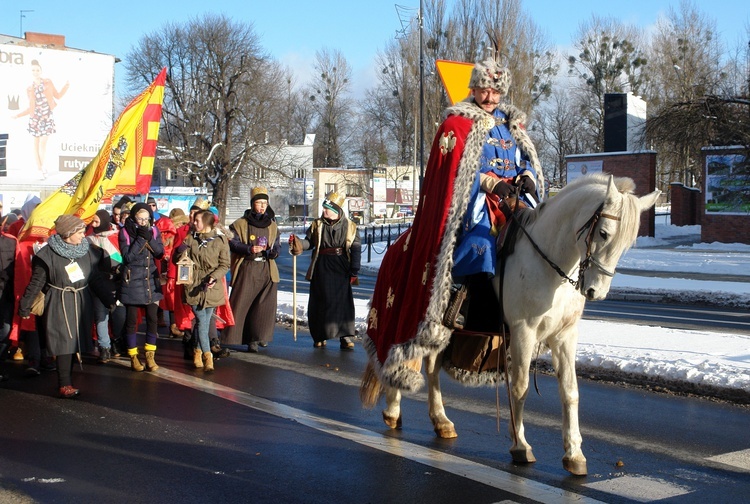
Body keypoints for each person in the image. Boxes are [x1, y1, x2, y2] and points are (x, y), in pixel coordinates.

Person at [364, 57, 543, 387]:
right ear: (473, 89)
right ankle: (456, 302)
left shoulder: (512, 123)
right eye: (483, 89)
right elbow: (462, 172)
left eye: (495, 91)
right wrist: (494, 184)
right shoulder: (459, 124)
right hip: (479, 201)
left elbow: (524, 159)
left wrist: (528, 177)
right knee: (480, 242)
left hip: (514, 200)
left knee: (539, 238)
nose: (489, 97)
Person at [17, 215, 113, 398]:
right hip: (58, 301)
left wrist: (109, 300)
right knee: (63, 342)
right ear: (68, 233)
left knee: (74, 343)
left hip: (80, 301)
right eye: (79, 232)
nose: (83, 235)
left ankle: (66, 379)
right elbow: (36, 282)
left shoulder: (87, 252)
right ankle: (64, 384)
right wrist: (25, 305)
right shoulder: (46, 255)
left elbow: (95, 279)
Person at [289, 192, 361, 349]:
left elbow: (356, 248)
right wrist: (298, 244)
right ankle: (320, 335)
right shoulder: (317, 224)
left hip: (341, 265)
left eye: (326, 209)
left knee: (343, 302)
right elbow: (309, 242)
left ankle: (345, 336)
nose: (323, 212)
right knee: (320, 301)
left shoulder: (350, 226)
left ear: (335, 210)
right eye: (323, 209)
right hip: (321, 265)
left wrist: (354, 269)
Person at [222, 187, 281, 353]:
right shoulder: (241, 223)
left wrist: (271, 252)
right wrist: (249, 249)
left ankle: (256, 338)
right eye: (259, 203)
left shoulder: (272, 226)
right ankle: (234, 336)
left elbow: (277, 247)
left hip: (266, 268)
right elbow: (232, 242)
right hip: (247, 268)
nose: (262, 206)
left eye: (264, 203)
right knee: (242, 303)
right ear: (252, 204)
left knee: (262, 308)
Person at [173, 210, 230, 371]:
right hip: (193, 286)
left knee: (203, 323)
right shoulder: (190, 239)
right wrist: (179, 251)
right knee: (201, 321)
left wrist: (214, 277)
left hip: (212, 286)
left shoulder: (220, 240)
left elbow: (225, 264)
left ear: (206, 222)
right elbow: (177, 260)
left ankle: (197, 352)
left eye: (197, 220)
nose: (193, 223)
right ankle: (208, 358)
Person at [118, 203, 165, 372]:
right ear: (133, 218)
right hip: (133, 281)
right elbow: (127, 257)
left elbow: (160, 253)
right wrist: (140, 239)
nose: (144, 222)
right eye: (140, 218)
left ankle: (150, 355)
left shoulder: (154, 231)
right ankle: (133, 356)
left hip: (150, 281)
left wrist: (149, 237)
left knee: (152, 319)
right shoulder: (124, 232)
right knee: (131, 321)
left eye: (147, 219)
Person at [13, 59, 70, 179]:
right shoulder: (29, 88)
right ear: (31, 72)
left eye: (37, 70)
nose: (35, 72)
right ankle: (39, 169)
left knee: (43, 143)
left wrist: (66, 86)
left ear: (41, 71)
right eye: (33, 70)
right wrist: (18, 115)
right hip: (35, 118)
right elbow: (31, 108)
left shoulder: (48, 82)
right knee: (36, 144)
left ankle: (42, 166)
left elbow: (58, 95)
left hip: (47, 116)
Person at [86, 209, 123, 363]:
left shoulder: (117, 236)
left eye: (96, 221)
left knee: (119, 316)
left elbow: (121, 259)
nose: (94, 225)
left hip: (115, 283)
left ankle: (117, 341)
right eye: (92, 221)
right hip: (97, 283)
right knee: (101, 316)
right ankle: (104, 347)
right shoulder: (88, 239)